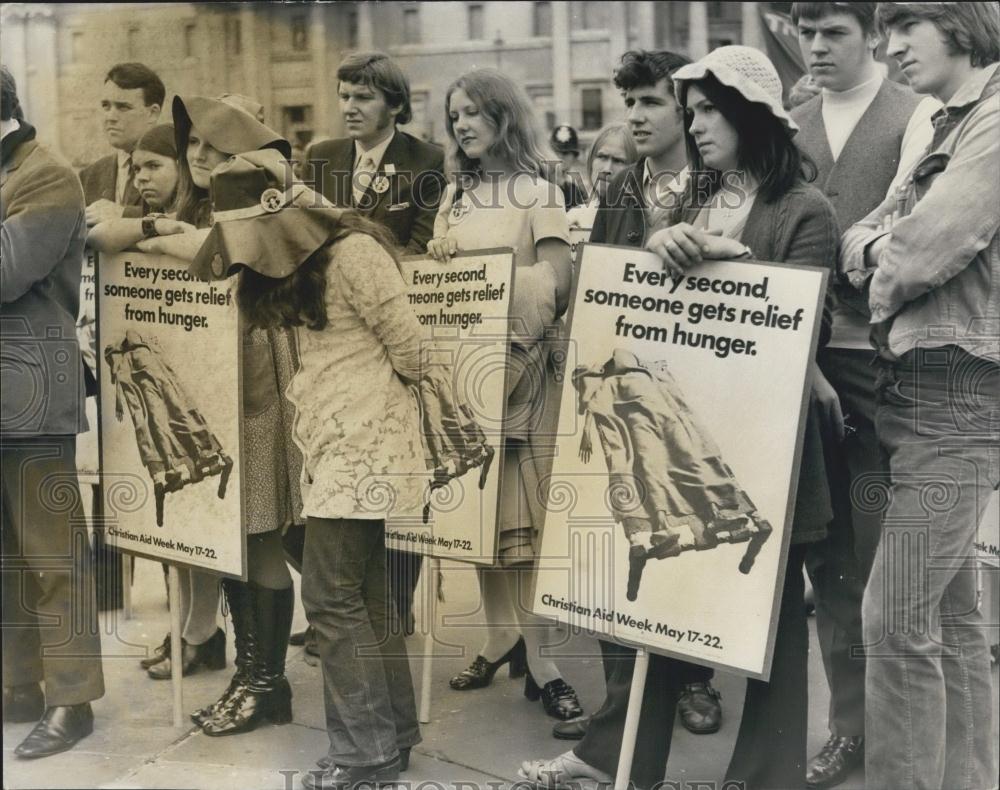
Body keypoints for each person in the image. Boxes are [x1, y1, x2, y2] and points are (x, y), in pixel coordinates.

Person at [521, 45, 840, 789]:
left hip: (766, 449)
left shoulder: (804, 209)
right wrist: (662, 243)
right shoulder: (696, 200)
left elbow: (806, 328)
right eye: (688, 111)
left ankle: (763, 776)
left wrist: (722, 260)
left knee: (773, 623)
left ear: (751, 116)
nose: (694, 126)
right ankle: (623, 761)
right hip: (686, 433)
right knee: (661, 612)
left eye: (707, 111)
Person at [190, 147, 427, 787]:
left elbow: (415, 352)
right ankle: (392, 736)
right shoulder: (313, 259)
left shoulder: (354, 255)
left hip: (364, 446)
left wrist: (364, 396)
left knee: (329, 596)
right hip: (334, 443)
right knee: (368, 597)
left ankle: (364, 756)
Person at [841, 4, 1000, 789]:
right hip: (913, 390)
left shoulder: (996, 119)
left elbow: (925, 249)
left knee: (893, 618)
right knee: (948, 616)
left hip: (956, 389)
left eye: (908, 25)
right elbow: (864, 233)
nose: (890, 46)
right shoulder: (942, 123)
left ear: (962, 24)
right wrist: (882, 249)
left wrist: (880, 259)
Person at [550, 50, 728, 746]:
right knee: (620, 538)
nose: (634, 116)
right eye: (629, 102)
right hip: (622, 393)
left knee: (694, 539)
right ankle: (622, 706)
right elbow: (596, 287)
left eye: (650, 101)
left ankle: (695, 681)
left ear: (684, 108)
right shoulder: (619, 191)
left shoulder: (723, 187)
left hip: (695, 396)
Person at [789, 4, 935, 786]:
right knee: (831, 559)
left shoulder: (917, 115)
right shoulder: (790, 116)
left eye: (833, 30)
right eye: (806, 30)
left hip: (883, 369)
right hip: (801, 366)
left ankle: (908, 737)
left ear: (870, 35)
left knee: (892, 563)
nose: (816, 45)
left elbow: (913, 231)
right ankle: (851, 729)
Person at [129, 95, 304, 736]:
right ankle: (251, 675)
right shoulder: (197, 207)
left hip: (256, 386)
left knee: (259, 535)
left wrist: (159, 234)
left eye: (213, 147)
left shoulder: (261, 198)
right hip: (213, 387)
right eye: (192, 147)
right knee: (228, 537)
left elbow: (222, 255)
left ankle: (267, 682)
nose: (198, 158)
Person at [426, 67, 583, 723]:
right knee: (479, 522)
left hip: (519, 372)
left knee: (522, 529)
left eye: (473, 113)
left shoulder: (538, 191)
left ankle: (540, 658)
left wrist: (508, 311)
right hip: (461, 376)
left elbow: (557, 278)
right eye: (454, 114)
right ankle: (498, 636)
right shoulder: (454, 196)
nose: (461, 125)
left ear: (504, 118)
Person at [301, 51, 446, 645]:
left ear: (394, 104)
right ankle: (347, 614)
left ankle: (390, 610)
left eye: (363, 97)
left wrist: (358, 249)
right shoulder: (322, 158)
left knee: (395, 498)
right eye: (344, 96)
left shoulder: (425, 162)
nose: (350, 108)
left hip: (396, 329)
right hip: (336, 342)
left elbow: (416, 248)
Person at [87, 122, 229, 683]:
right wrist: (151, 226)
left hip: (209, 387)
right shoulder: (153, 211)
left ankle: (200, 633)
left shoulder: (211, 213)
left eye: (155, 167)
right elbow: (98, 237)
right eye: (138, 168)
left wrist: (149, 236)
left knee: (206, 525)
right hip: (162, 376)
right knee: (175, 531)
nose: (142, 177)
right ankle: (192, 632)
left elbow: (207, 254)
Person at [1, 63, 105, 759]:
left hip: (33, 395)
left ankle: (74, 699)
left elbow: (6, 271)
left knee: (53, 556)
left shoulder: (46, 175)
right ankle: (19, 686)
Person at [79, 62, 164, 225]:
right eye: (106, 106)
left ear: (153, 113)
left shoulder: (180, 166)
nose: (110, 117)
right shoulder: (89, 176)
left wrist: (124, 214)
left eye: (123, 107)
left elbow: (187, 217)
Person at [565, 123, 638, 234]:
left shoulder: (641, 221)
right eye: (602, 157)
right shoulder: (574, 218)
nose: (607, 169)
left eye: (618, 161)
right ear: (591, 160)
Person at [549, 123, 588, 208]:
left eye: (565, 153)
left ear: (574, 156)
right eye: (557, 152)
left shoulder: (578, 189)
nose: (560, 157)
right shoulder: (542, 181)